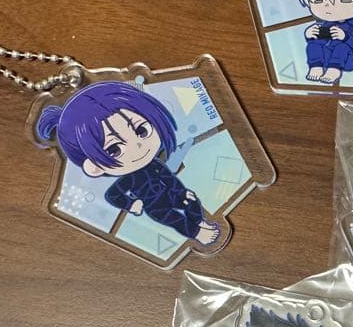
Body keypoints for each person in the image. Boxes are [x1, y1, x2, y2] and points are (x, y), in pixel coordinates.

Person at [35, 81, 220, 245]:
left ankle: (199, 222)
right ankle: (197, 233)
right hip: (155, 206)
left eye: (141, 130)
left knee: (192, 200)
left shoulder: (155, 163)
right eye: (114, 149)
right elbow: (112, 195)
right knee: (175, 220)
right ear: (93, 167)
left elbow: (170, 179)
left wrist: (181, 192)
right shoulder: (129, 179)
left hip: (172, 194)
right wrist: (131, 204)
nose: (137, 146)